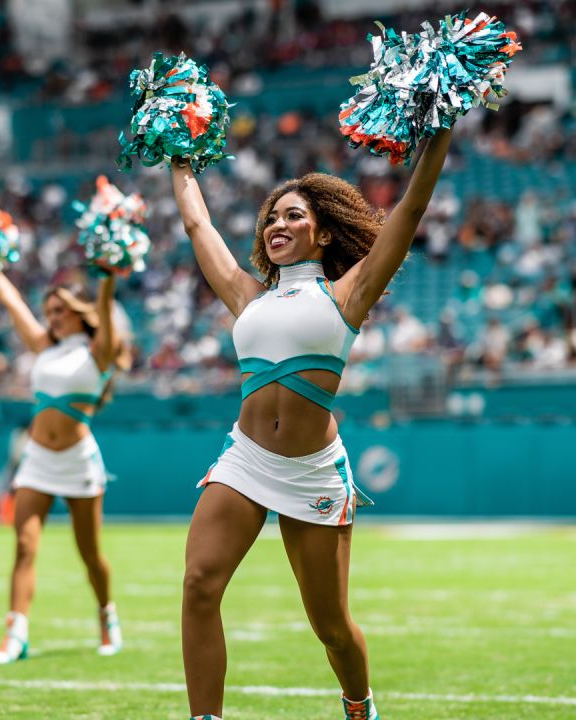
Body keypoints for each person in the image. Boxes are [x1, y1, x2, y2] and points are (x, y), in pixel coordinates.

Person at [169, 127, 453, 720]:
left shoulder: (347, 294)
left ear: (322, 232)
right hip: (244, 458)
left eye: (292, 215)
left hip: (313, 473)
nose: (276, 224)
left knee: (331, 627)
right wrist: (178, 155)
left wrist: (442, 125)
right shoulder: (250, 299)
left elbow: (412, 206)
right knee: (199, 584)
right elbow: (200, 228)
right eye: (271, 216)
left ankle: (359, 704)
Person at [0, 269, 127, 663]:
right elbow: (14, 306)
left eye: (61, 310)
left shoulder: (98, 349)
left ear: (80, 312)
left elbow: (105, 304)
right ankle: (15, 633)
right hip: (36, 459)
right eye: (49, 311)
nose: (53, 317)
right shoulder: (43, 347)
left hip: (78, 460)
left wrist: (107, 273)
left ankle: (107, 615)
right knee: (24, 545)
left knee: (90, 553)